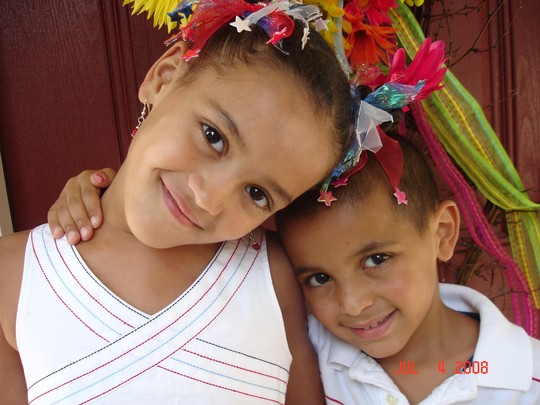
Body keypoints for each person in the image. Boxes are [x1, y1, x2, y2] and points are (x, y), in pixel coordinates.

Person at [0, 1, 354, 404]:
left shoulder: (275, 276)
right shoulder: (14, 275)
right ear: (164, 78)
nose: (210, 198)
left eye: (257, 194)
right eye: (213, 136)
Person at [275, 135, 540, 404]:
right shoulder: (296, 357)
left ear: (442, 234)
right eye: (320, 278)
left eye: (377, 259)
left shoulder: (530, 380)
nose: (353, 305)